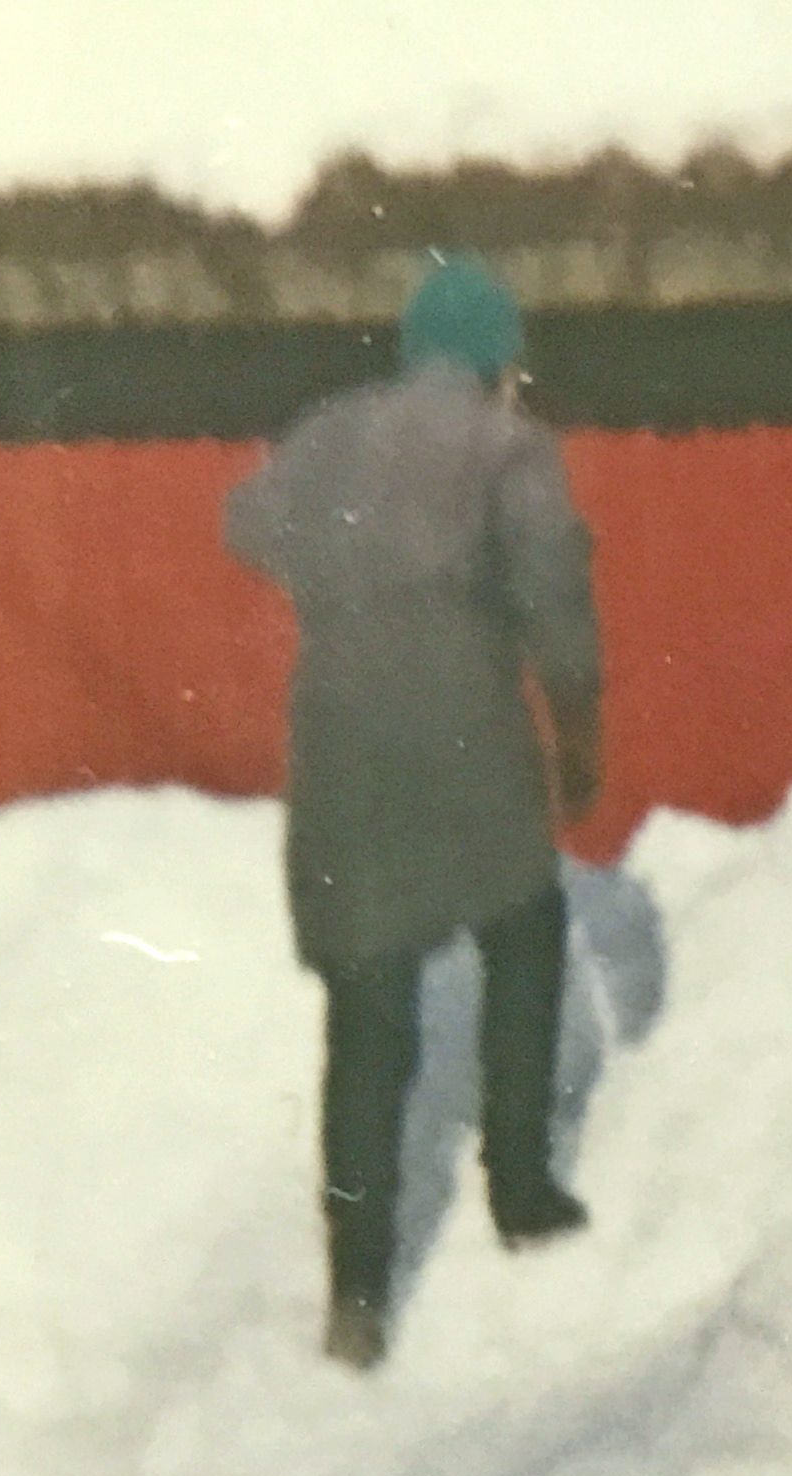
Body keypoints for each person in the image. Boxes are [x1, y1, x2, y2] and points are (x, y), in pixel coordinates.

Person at [225, 253, 605, 1368]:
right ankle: (523, 1192)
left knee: (366, 1014)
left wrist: (345, 583)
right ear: (497, 361)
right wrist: (579, 741)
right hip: (467, 736)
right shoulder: (508, 447)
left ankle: (356, 1295)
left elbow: (246, 524)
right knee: (526, 936)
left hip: (341, 747)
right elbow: (556, 607)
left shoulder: (329, 432)